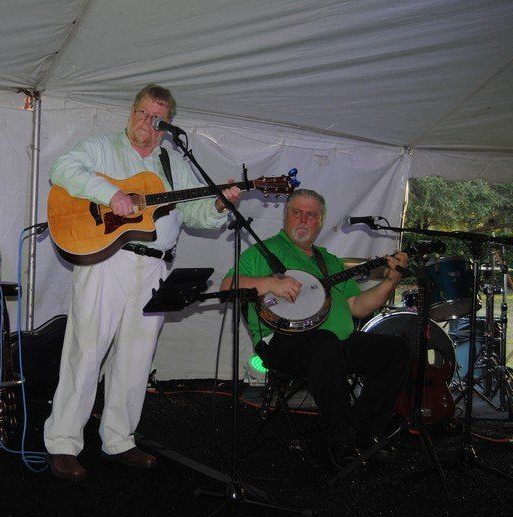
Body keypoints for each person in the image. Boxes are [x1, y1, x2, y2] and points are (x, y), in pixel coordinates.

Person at [43, 84, 242, 480]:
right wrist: (111, 193)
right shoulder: (100, 146)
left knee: (136, 356)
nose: (147, 125)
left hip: (155, 268)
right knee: (86, 351)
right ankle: (64, 443)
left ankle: (119, 439)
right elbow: (62, 170)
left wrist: (219, 204)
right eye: (142, 114)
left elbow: (197, 214)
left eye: (157, 120)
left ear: (166, 126)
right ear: (131, 113)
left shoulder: (172, 163)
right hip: (107, 261)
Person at [220, 189, 410, 468]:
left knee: (395, 349)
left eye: (312, 215)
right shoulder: (264, 250)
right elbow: (227, 287)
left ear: (320, 222)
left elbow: (357, 305)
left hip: (334, 343)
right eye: (297, 212)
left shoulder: (328, 260)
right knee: (324, 343)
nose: (304, 219)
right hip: (282, 343)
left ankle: (364, 431)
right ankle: (339, 439)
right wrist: (270, 283)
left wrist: (390, 281)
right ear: (286, 217)